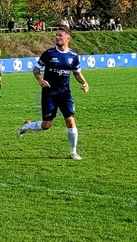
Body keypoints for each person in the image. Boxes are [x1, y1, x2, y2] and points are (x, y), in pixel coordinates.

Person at [17, 27, 89, 160]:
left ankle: (73, 152)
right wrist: (40, 80)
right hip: (49, 93)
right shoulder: (49, 54)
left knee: (70, 121)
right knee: (47, 125)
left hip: (65, 93)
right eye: (56, 35)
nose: (57, 38)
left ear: (68, 38)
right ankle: (27, 126)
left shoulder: (73, 56)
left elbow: (76, 73)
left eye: (60, 36)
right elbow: (36, 70)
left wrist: (84, 83)